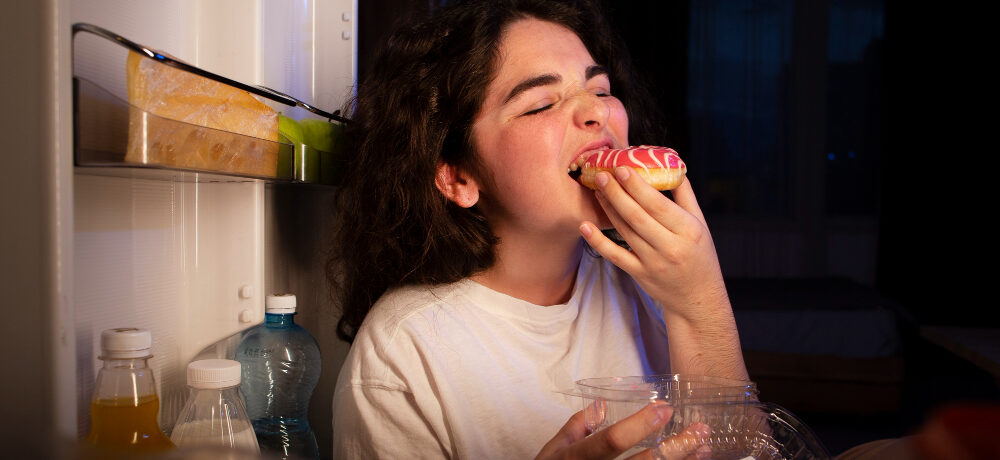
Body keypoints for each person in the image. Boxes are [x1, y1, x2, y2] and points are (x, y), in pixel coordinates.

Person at [329, 0, 748, 458]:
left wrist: (700, 300)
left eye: (602, 90)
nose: (596, 112)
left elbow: (745, 450)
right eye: (542, 104)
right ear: (458, 178)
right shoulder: (402, 358)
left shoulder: (655, 284)